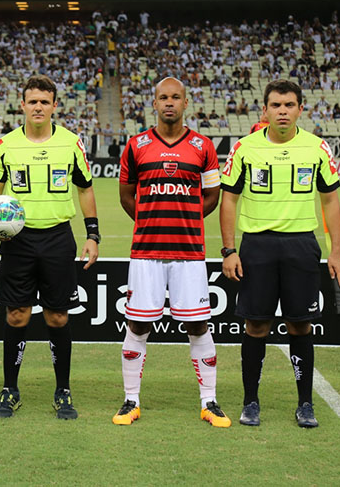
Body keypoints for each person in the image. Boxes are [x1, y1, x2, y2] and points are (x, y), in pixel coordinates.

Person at [220, 79, 340, 428]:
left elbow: (330, 200)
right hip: (257, 246)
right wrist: (229, 249)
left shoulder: (317, 147)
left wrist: (337, 251)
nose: (283, 111)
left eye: (289, 105)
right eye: (276, 105)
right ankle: (250, 402)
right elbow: (229, 199)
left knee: (299, 324)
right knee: (256, 324)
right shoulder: (244, 148)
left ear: (300, 109)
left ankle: (305, 403)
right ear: (265, 110)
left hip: (301, 244)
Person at [113, 77, 231, 428]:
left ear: (185, 102)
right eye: (163, 97)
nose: (169, 103)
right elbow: (125, 195)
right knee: (137, 323)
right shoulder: (136, 146)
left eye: (175, 97)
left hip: (189, 252)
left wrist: (187, 218)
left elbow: (212, 196)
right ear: (154, 102)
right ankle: (130, 400)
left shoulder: (202, 146)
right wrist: (149, 219)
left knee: (198, 324)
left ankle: (208, 401)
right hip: (146, 252)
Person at [0, 75, 99, 420]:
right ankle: (10, 389)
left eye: (44, 102)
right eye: (32, 101)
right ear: (22, 105)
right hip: (17, 241)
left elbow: (86, 189)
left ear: (54, 106)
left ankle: (62, 390)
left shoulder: (71, 143)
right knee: (16, 315)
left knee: (57, 315)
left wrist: (93, 235)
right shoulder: (5, 144)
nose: (38, 107)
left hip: (57, 238)